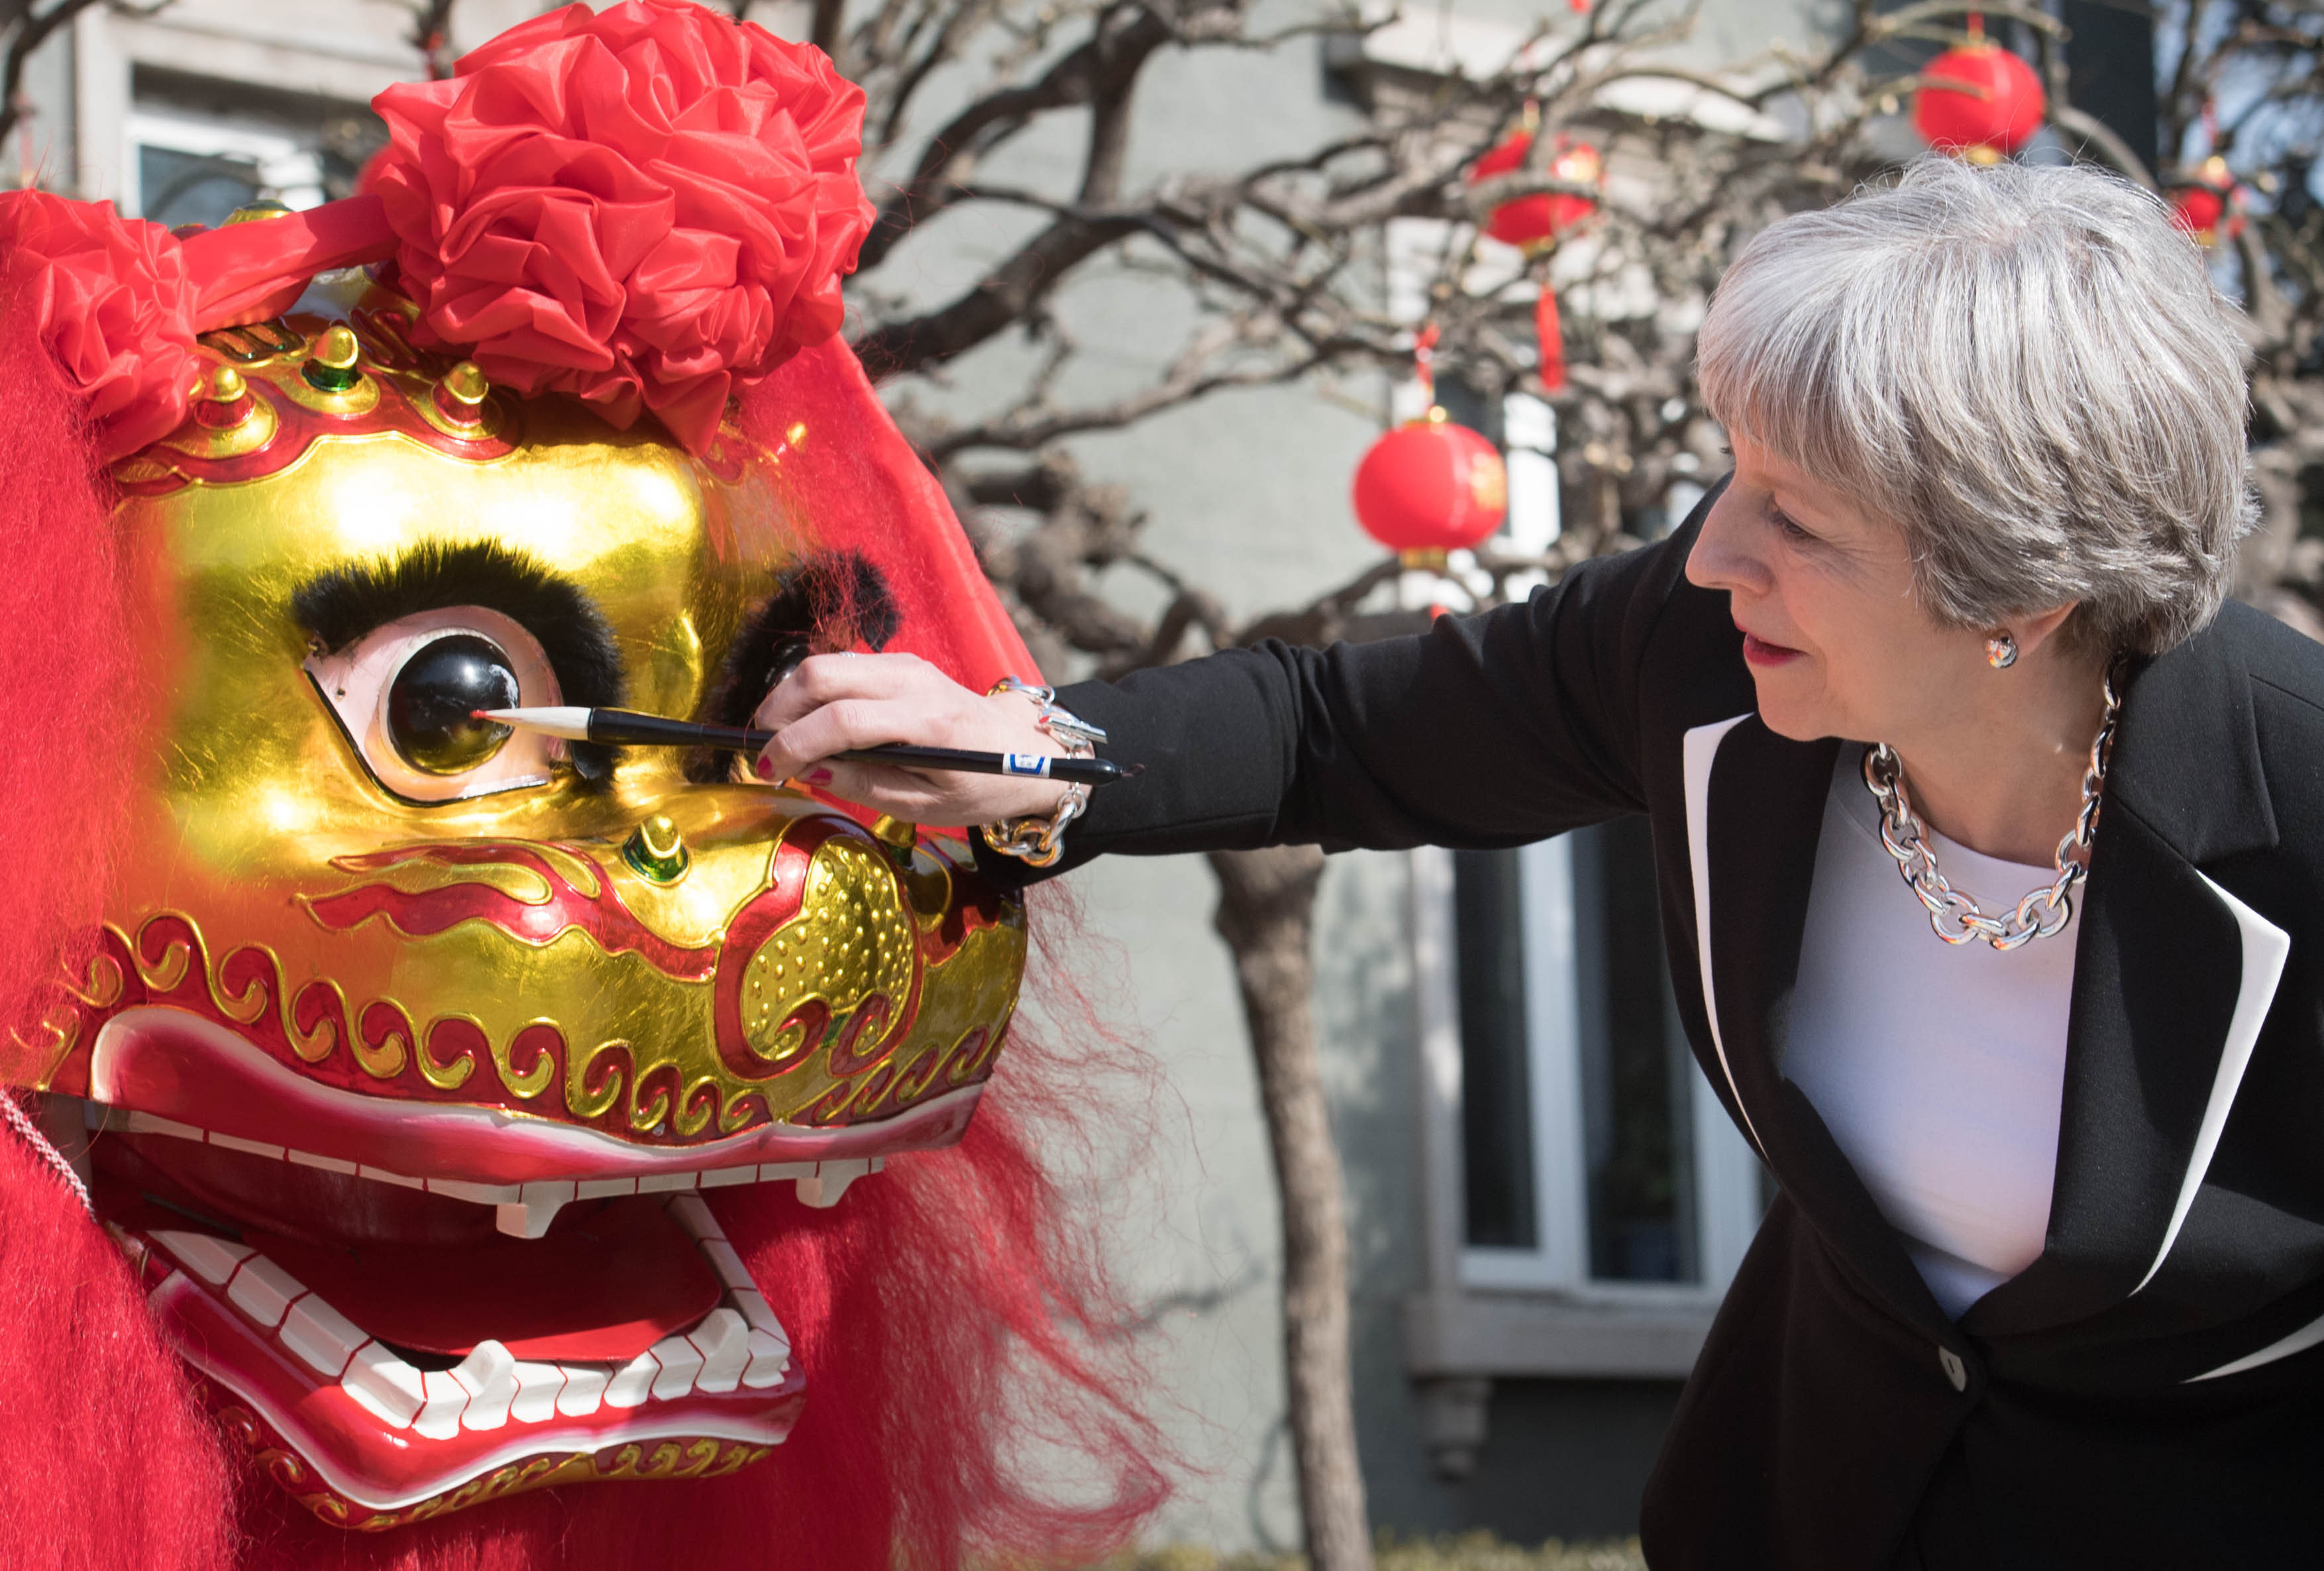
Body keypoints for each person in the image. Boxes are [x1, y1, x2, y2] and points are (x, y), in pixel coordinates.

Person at [748, 156, 2324, 1568]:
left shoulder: (2293, 803)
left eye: (1795, 517)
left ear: (2019, 597)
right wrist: (1028, 747)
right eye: (1731, 474)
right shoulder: (1696, 654)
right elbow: (1331, 733)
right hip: (1796, 1508)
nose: (1711, 552)